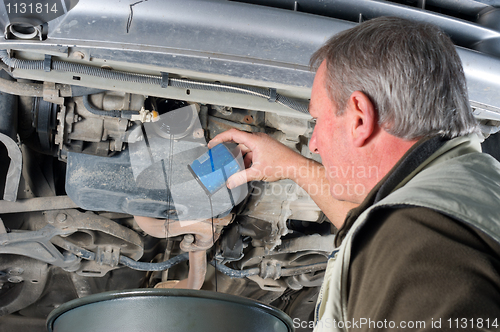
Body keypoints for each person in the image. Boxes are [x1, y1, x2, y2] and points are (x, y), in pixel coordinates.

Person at [208, 17, 500, 331]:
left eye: (317, 120)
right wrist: (291, 165)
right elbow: (371, 223)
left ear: (360, 118)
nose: (315, 143)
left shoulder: (416, 246)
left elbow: (400, 239)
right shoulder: (458, 194)